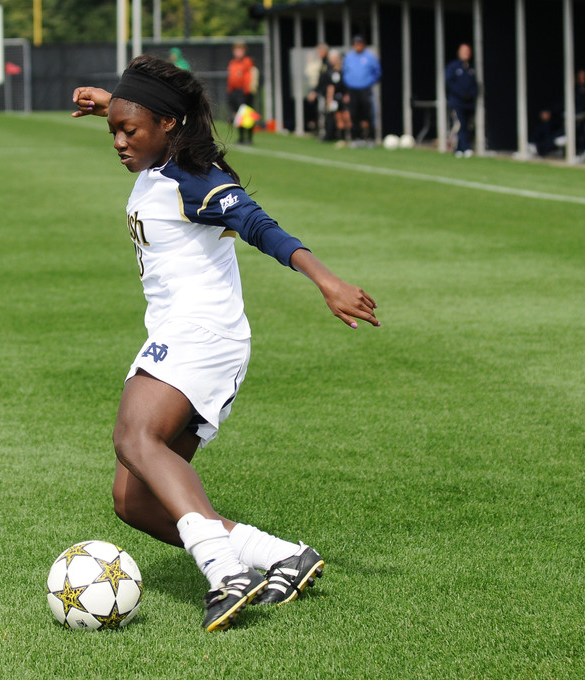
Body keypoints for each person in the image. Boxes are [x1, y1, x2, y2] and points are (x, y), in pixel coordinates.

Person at [70, 55, 380, 632]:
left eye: (127, 130)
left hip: (201, 334)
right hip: (189, 335)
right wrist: (111, 103)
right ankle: (282, 556)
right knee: (134, 502)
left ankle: (226, 573)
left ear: (167, 124)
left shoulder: (195, 178)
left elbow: (259, 225)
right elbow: (146, 118)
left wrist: (326, 280)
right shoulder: (161, 156)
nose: (118, 141)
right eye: (113, 128)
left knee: (135, 436)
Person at [342, 35, 381, 146]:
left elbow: (377, 73)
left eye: (359, 43)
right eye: (355, 44)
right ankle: (356, 138)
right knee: (354, 114)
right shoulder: (349, 57)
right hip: (352, 89)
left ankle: (371, 138)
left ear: (363, 44)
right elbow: (345, 72)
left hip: (365, 89)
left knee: (368, 114)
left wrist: (369, 82)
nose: (357, 46)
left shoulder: (370, 57)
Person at [445, 43, 478, 157]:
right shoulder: (453, 66)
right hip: (457, 102)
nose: (466, 54)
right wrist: (462, 94)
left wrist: (471, 94)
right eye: (464, 51)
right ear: (459, 53)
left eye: (468, 51)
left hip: (468, 104)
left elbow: (475, 85)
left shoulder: (471, 68)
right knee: (459, 124)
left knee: (467, 125)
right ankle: (463, 148)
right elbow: (450, 83)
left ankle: (462, 147)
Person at [226, 42, 256, 145]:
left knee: (247, 115)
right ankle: (241, 138)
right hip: (234, 92)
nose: (238, 52)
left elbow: (248, 78)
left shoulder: (247, 62)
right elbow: (231, 78)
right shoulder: (232, 63)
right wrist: (230, 92)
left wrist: (246, 92)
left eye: (240, 50)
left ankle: (249, 138)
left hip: (244, 92)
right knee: (238, 115)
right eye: (236, 50)